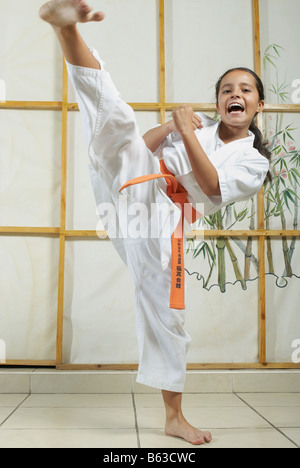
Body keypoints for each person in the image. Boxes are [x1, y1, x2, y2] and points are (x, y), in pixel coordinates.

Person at [39, 0, 270, 446]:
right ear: (219, 101)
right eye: (226, 89)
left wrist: (184, 133)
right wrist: (171, 125)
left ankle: (173, 417)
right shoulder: (197, 129)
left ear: (259, 104)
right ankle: (65, 30)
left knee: (168, 316)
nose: (234, 94)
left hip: (166, 220)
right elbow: (139, 147)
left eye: (244, 89)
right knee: (119, 125)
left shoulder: (252, 161)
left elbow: (212, 185)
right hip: (134, 189)